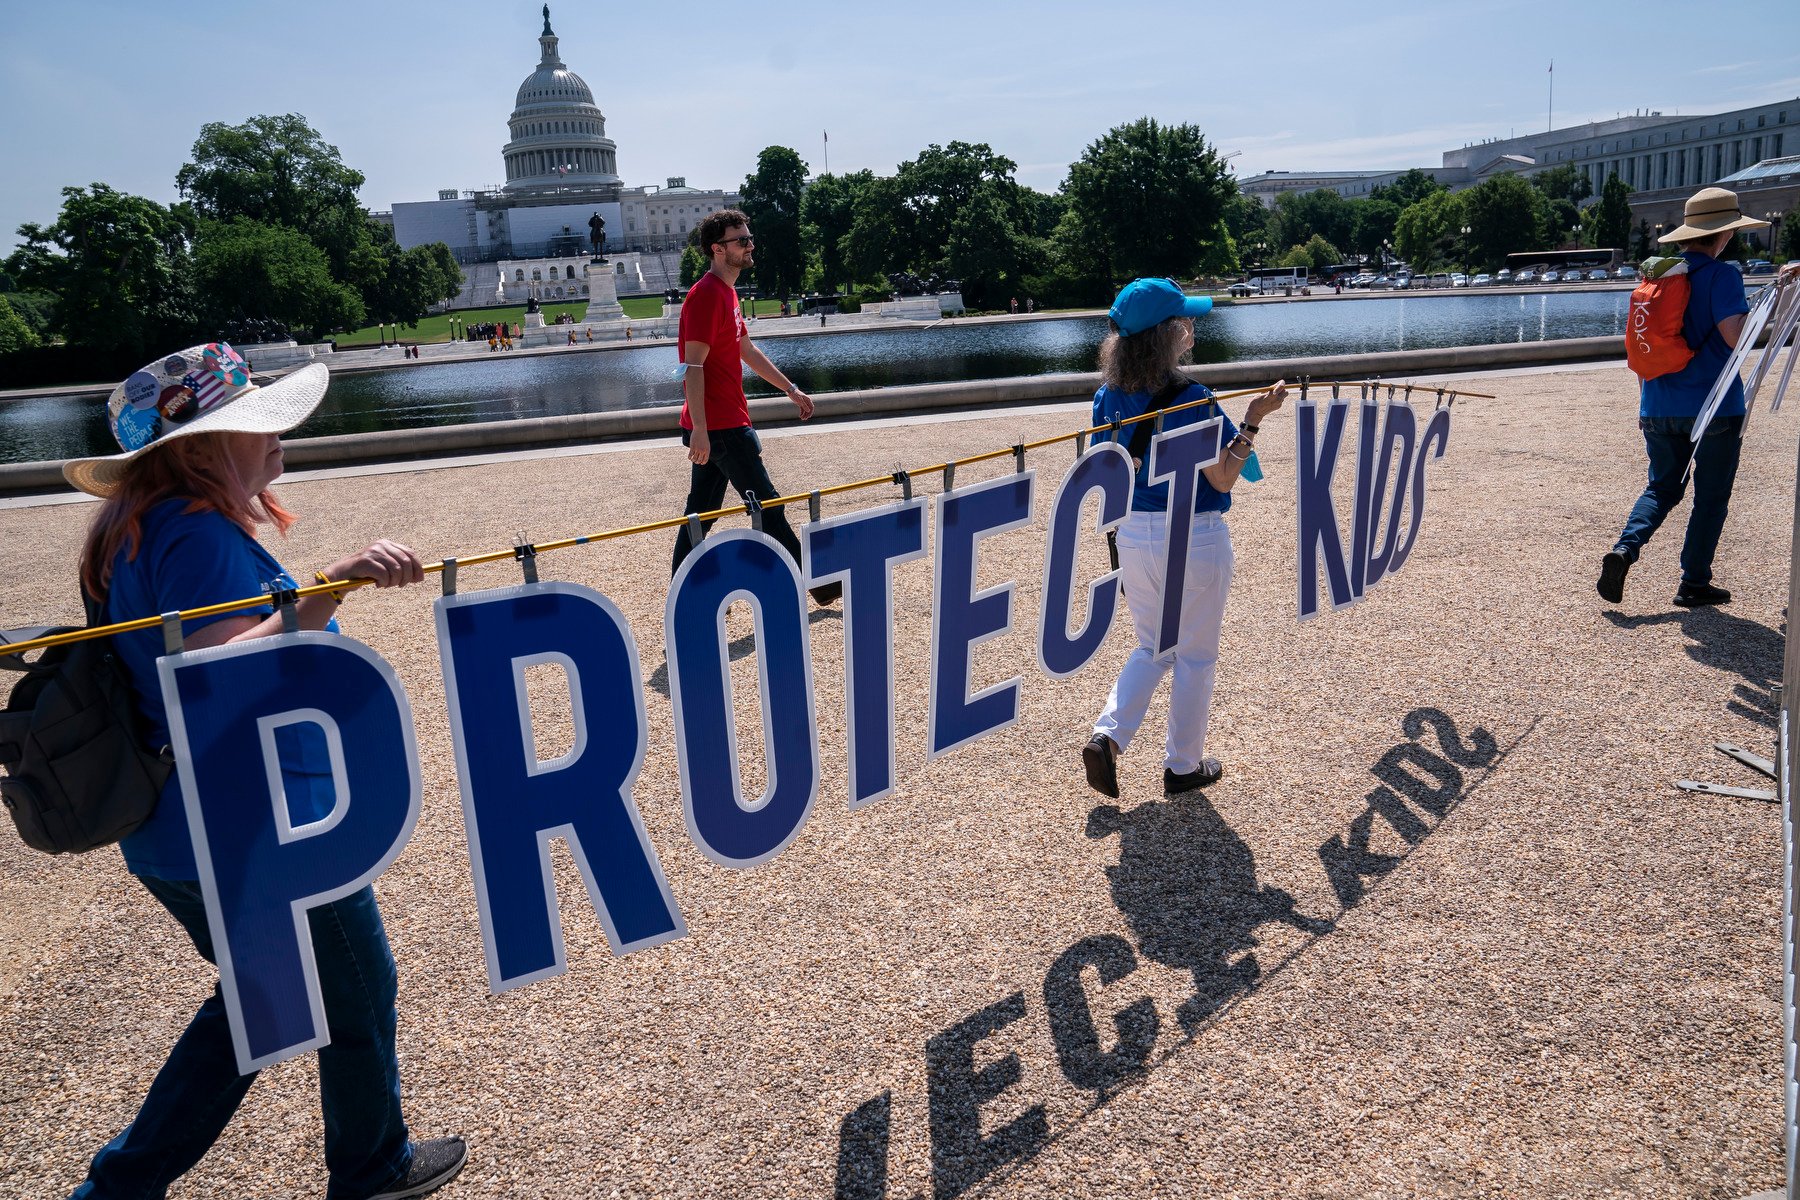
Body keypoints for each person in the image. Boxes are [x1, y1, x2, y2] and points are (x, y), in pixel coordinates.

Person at [60, 343, 466, 1200]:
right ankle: (372, 1168)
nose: (278, 436)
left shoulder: (134, 529)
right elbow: (217, 673)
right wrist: (334, 583)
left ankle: (122, 1188)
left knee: (266, 1005)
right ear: (204, 447)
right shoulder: (197, 533)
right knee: (350, 991)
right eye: (256, 423)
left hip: (178, 829)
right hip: (253, 827)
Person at [1079, 279, 1287, 798]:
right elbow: (1221, 478)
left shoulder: (1107, 398)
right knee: (1195, 655)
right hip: (1192, 537)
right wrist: (1253, 422)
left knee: (1152, 646)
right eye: (1183, 322)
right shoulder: (1193, 398)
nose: (1190, 328)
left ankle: (1108, 735)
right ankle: (1183, 765)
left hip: (1133, 534)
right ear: (1166, 336)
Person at [1597, 187, 1769, 608]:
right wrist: (1762, 315)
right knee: (1710, 497)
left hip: (1657, 403)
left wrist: (1645, 404)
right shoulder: (1722, 274)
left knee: (1660, 488)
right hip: (1714, 408)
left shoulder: (1658, 277)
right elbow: (1735, 336)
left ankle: (1625, 550)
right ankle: (1693, 582)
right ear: (1724, 234)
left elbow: (1642, 350)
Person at [670, 209, 839, 605]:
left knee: (701, 512)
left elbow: (745, 349)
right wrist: (699, 428)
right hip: (721, 428)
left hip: (723, 423)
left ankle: (682, 595)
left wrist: (791, 389)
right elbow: (692, 367)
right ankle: (820, 586)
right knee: (766, 505)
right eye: (741, 240)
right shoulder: (706, 295)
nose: (750, 245)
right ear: (717, 249)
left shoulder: (726, 292)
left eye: (749, 238)